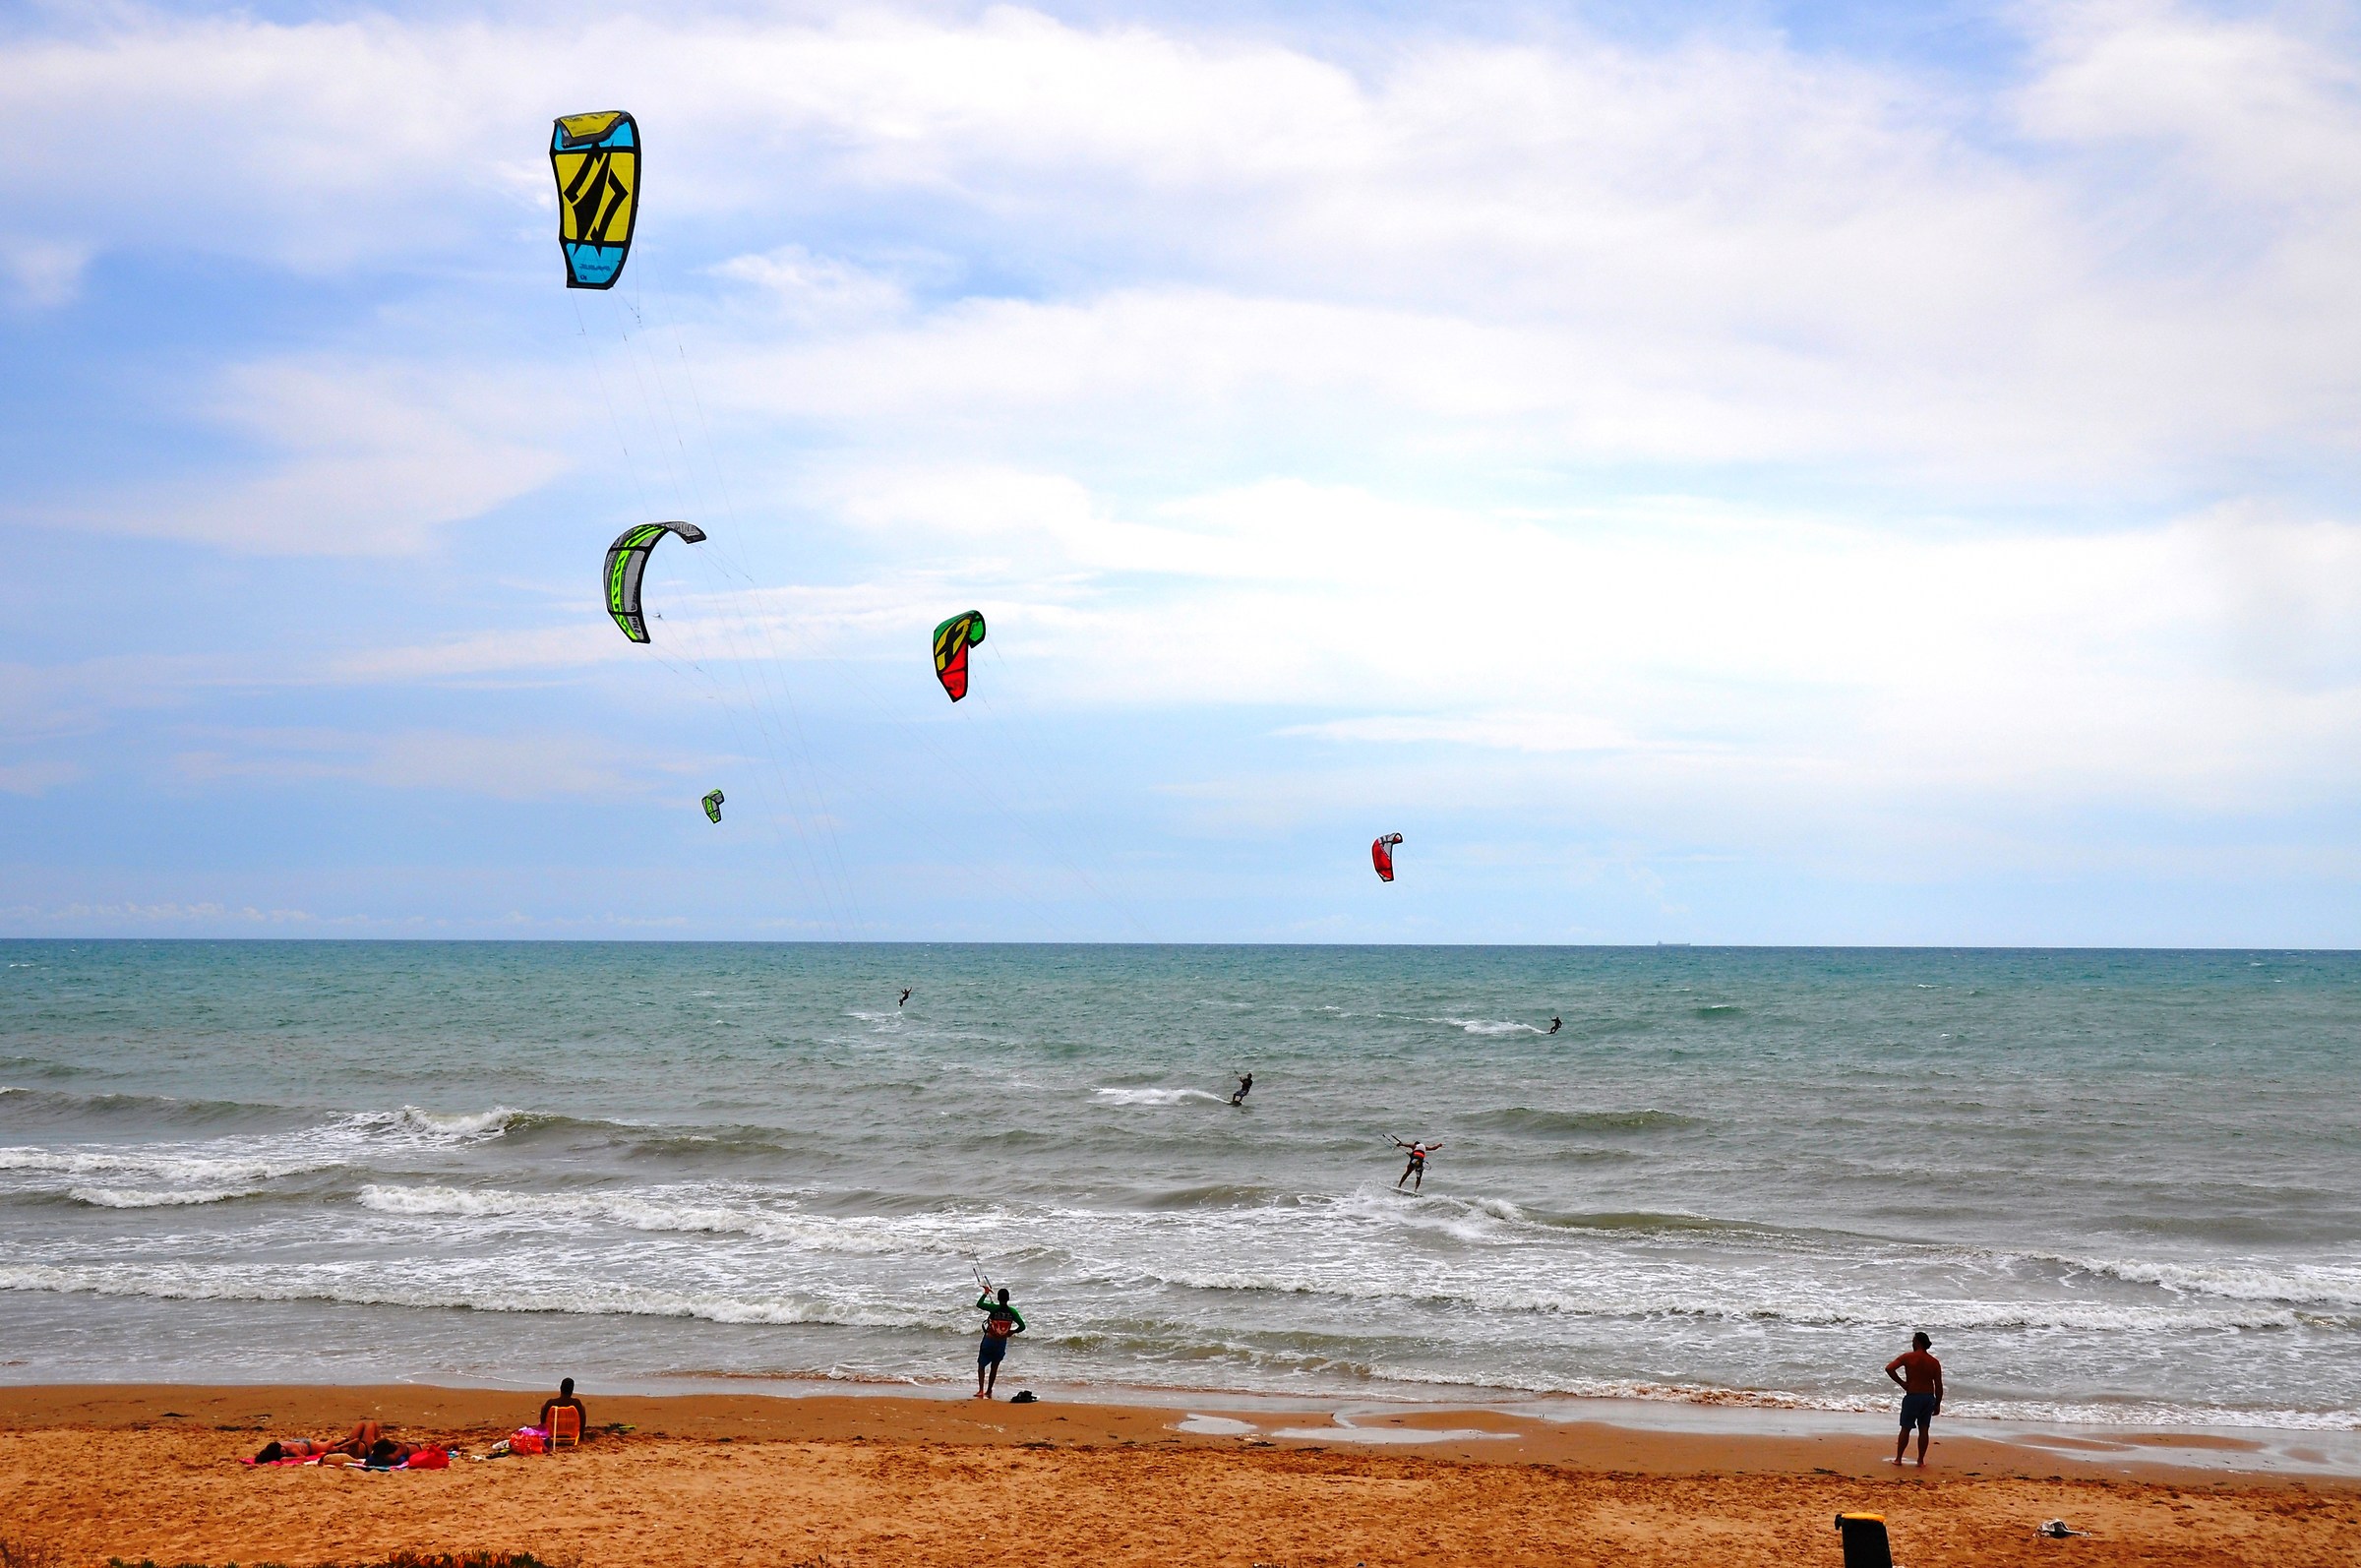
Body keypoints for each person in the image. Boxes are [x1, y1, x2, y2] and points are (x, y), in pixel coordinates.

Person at [1886, 1331, 1944, 1465]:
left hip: (1912, 1396)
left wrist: (1902, 1383)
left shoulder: (1907, 1357)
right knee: (1924, 1429)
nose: (1912, 1343)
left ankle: (1898, 1458)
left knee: (1905, 1428)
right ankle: (1920, 1460)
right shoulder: (1934, 1362)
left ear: (1917, 1342)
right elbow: (1939, 1386)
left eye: (1913, 1341)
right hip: (1928, 1398)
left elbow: (1889, 1368)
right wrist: (1937, 1403)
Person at [975, 1285, 1026, 1399]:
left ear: (998, 1298)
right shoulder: (1012, 1312)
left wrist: (986, 1292)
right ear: (1008, 1299)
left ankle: (981, 1390)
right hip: (1001, 1343)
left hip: (989, 1340)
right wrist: (1012, 1332)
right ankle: (989, 1391)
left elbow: (979, 1304)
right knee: (994, 1366)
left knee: (981, 1365)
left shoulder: (993, 1308)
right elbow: (1022, 1326)